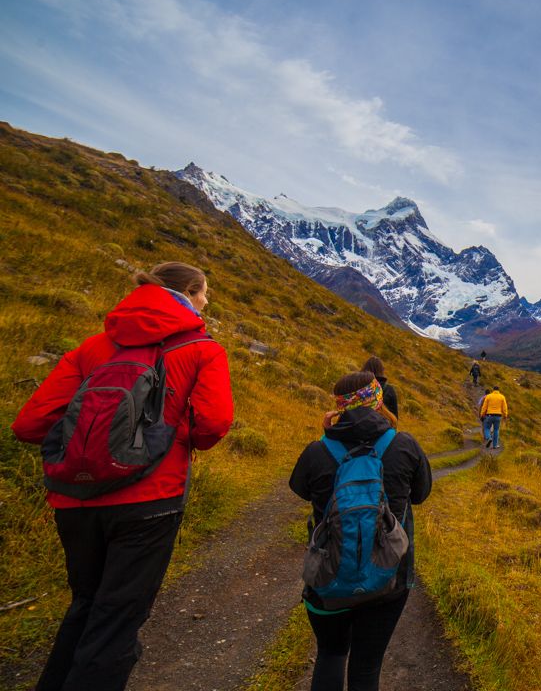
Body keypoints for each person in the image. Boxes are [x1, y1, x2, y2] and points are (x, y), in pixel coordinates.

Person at [11, 261, 234, 691]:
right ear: (190, 292)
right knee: (117, 620)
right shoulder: (202, 348)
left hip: (74, 501)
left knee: (85, 606)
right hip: (150, 502)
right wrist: (166, 434)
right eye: (205, 293)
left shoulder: (92, 348)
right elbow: (212, 425)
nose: (207, 301)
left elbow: (29, 425)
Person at [289, 372, 432, 691]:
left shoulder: (317, 451)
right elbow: (421, 495)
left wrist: (327, 440)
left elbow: (299, 488)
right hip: (390, 575)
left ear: (339, 407)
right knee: (367, 665)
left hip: (328, 575)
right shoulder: (403, 444)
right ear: (378, 401)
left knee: (330, 654)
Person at [478, 385, 508, 450]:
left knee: (486, 428)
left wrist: (482, 414)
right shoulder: (502, 397)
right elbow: (504, 407)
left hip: (489, 415)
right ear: (498, 390)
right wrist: (505, 415)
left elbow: (484, 407)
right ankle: (495, 445)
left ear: (493, 390)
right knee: (496, 430)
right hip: (498, 416)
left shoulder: (488, 396)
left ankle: (489, 438)